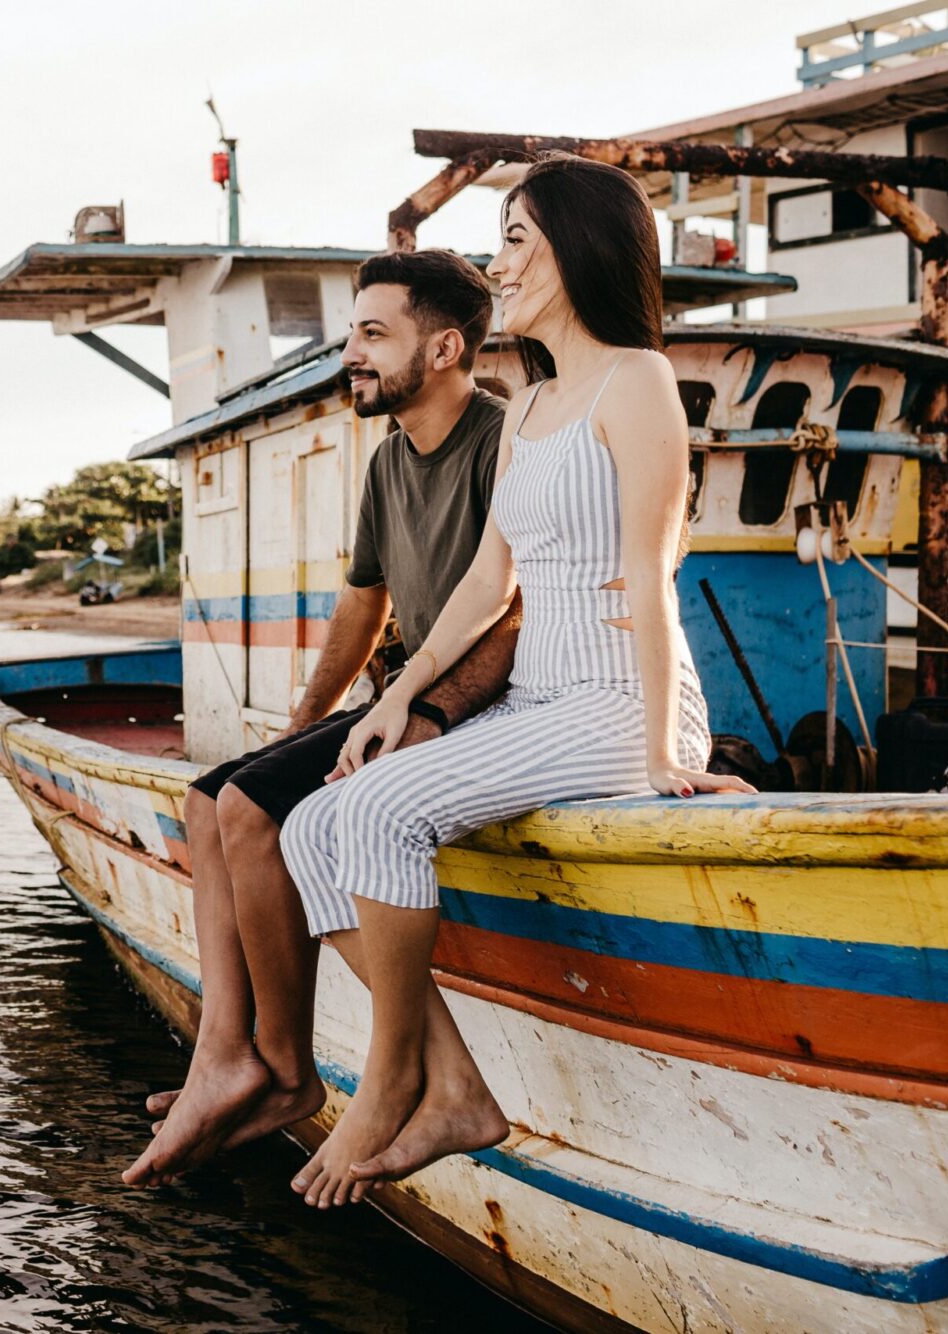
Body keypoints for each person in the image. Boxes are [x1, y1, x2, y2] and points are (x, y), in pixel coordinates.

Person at [277, 154, 757, 1210]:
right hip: (539, 697)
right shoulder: (528, 404)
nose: (499, 265)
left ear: (575, 251)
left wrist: (669, 753)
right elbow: (489, 578)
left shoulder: (634, 383)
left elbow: (648, 569)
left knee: (382, 812)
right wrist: (399, 695)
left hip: (617, 700)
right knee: (314, 824)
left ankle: (390, 1075)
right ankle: (449, 1082)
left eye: (514, 241)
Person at [123, 249, 522, 1187]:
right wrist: (304, 725)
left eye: (374, 334)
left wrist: (416, 711)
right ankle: (227, 1051)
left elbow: (513, 606)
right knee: (206, 797)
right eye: (353, 333)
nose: (353, 352)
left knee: (254, 813)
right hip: (398, 694)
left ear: (446, 348)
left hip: (469, 705)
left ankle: (287, 1067)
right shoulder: (389, 458)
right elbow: (364, 605)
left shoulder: (501, 442)